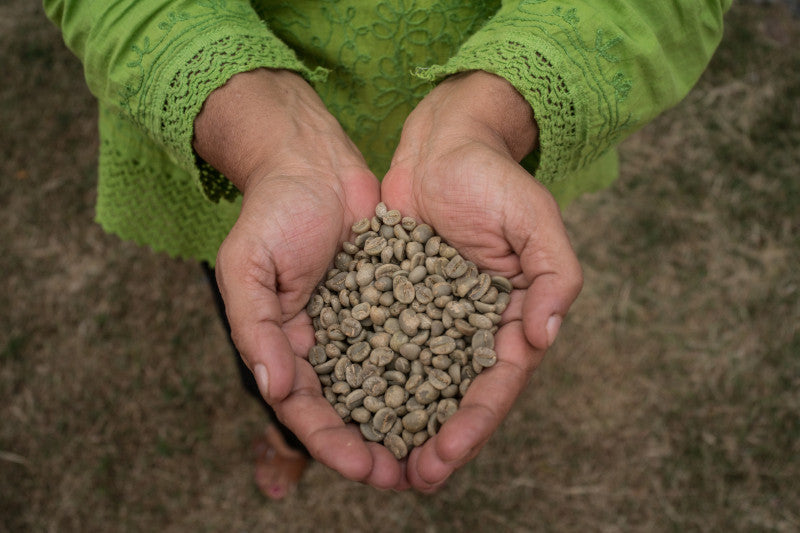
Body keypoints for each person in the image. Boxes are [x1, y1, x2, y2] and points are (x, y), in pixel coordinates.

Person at [44, 0, 732, 499]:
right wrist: (259, 137)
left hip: (479, 151)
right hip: (246, 152)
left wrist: (495, 112)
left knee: (282, 330)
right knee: (269, 319)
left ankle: (288, 431)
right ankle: (286, 435)